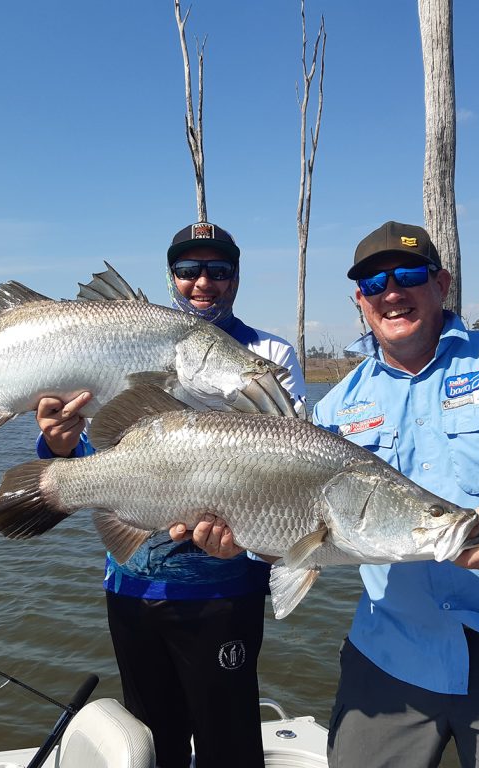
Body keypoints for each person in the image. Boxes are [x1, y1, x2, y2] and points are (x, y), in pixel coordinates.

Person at [181, 221, 479, 768]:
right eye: (374, 284)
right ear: (360, 301)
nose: (392, 292)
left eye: (409, 275)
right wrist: (243, 539)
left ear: (441, 284)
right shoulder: (335, 409)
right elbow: (296, 531)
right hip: (392, 650)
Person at [34, 221, 306, 768]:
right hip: (131, 582)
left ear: (236, 277)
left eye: (218, 269)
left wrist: (256, 542)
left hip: (224, 588)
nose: (203, 281)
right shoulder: (121, 342)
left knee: (229, 745)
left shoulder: (267, 355)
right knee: (155, 742)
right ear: (170, 277)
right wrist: (56, 443)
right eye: (188, 270)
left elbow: (294, 465)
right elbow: (92, 455)